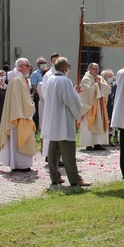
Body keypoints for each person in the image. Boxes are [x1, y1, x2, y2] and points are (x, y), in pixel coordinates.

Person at [41, 57, 91, 187]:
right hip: (63, 121)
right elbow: (71, 101)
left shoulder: (51, 79)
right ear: (64, 68)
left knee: (53, 152)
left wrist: (74, 92)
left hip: (53, 120)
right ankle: (75, 179)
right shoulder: (64, 81)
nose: (69, 68)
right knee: (68, 152)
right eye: (68, 66)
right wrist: (79, 111)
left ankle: (55, 177)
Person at [0, 58, 37, 172]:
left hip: (18, 114)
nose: (29, 68)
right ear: (20, 67)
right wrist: (31, 106)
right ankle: (21, 164)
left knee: (18, 139)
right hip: (20, 115)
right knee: (19, 140)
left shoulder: (16, 79)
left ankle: (19, 164)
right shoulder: (18, 80)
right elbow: (25, 100)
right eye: (27, 65)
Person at [79, 62, 111, 151]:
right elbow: (88, 91)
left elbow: (107, 88)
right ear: (89, 69)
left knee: (100, 123)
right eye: (95, 69)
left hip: (99, 104)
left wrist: (100, 83)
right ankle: (88, 144)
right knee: (88, 124)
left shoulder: (99, 78)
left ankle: (98, 143)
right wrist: (96, 84)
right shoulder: (86, 79)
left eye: (98, 69)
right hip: (90, 106)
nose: (97, 71)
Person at [38, 52, 60, 162]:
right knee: (51, 131)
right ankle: (49, 154)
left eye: (58, 60)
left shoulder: (62, 73)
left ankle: (58, 155)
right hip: (51, 107)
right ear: (51, 62)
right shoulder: (48, 75)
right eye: (55, 60)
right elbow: (45, 91)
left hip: (59, 108)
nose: (56, 62)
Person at [30, 57, 47, 129]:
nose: (43, 64)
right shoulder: (35, 74)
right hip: (38, 97)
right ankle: (35, 129)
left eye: (44, 62)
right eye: (41, 63)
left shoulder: (48, 73)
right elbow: (34, 86)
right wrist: (40, 94)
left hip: (46, 97)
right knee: (36, 115)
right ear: (38, 64)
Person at [101, 69, 117, 146]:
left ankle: (110, 139)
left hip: (112, 105)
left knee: (111, 123)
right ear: (104, 77)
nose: (111, 78)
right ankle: (103, 140)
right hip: (104, 105)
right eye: (109, 76)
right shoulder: (102, 84)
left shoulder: (114, 85)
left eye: (111, 76)